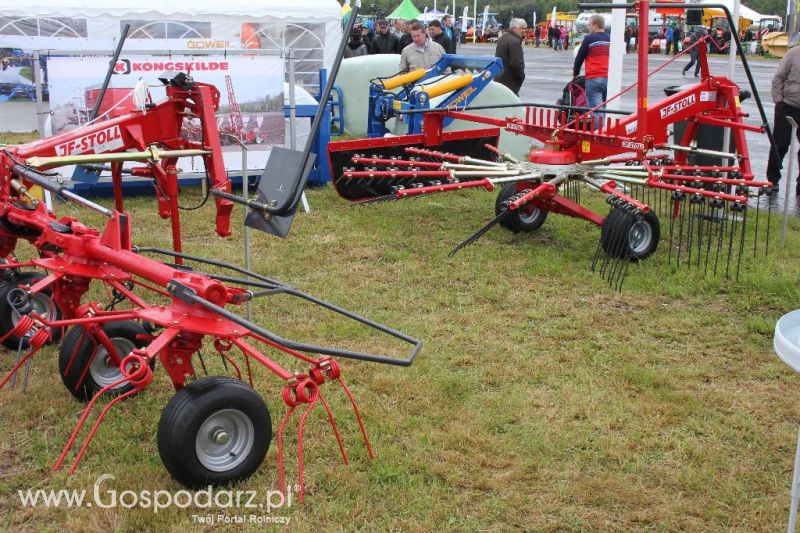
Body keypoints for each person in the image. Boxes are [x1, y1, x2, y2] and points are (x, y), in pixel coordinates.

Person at [767, 44, 800, 194]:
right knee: (780, 144)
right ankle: (772, 180)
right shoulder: (794, 53)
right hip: (788, 106)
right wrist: (778, 100)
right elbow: (778, 78)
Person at [573, 14, 609, 128]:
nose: (588, 27)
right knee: (606, 108)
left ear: (595, 25)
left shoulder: (589, 39)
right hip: (609, 78)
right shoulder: (610, 39)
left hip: (594, 77)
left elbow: (579, 57)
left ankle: (598, 136)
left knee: (596, 111)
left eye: (589, 25)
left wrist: (575, 73)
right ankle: (606, 131)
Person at [494, 18, 526, 95]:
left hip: (499, 78)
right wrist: (521, 77)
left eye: (525, 29)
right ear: (514, 28)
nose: (524, 31)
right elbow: (517, 64)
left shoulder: (503, 38)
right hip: (509, 82)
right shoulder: (514, 42)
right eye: (522, 28)